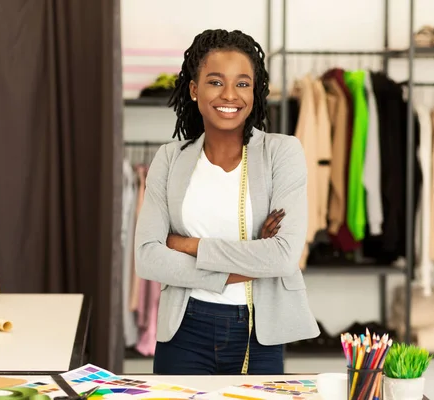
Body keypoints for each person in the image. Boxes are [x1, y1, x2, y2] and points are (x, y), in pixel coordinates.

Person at [134, 29, 319, 375]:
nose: (230, 95)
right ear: (193, 89)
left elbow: (282, 257)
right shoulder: (169, 159)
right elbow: (148, 259)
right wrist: (251, 259)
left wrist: (187, 245)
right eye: (216, 82)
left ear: (256, 91)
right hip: (184, 331)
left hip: (258, 333)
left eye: (243, 84)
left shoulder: (282, 153)